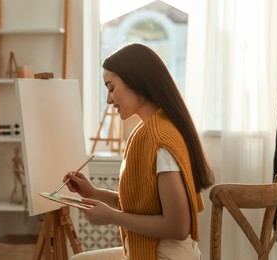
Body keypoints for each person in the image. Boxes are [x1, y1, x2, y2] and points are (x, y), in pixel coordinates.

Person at [65, 43, 215, 260]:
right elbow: (144, 207)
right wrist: (93, 193)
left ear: (135, 81)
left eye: (111, 88)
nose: (108, 99)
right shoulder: (149, 132)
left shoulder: (159, 139)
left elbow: (178, 226)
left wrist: (113, 217)